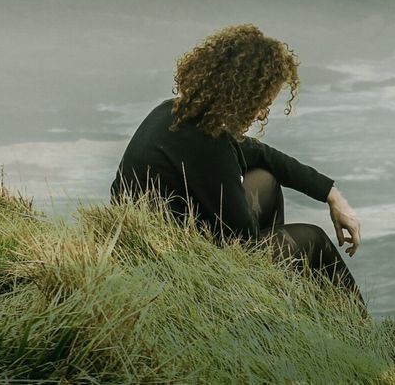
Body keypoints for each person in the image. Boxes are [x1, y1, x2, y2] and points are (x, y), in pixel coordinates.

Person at [110, 23, 362, 298]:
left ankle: (275, 295)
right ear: (239, 94)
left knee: (266, 179)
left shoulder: (179, 114)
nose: (264, 114)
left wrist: (331, 195)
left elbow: (261, 154)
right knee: (314, 240)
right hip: (172, 267)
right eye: (262, 102)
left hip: (162, 240)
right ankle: (364, 336)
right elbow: (244, 240)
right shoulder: (208, 145)